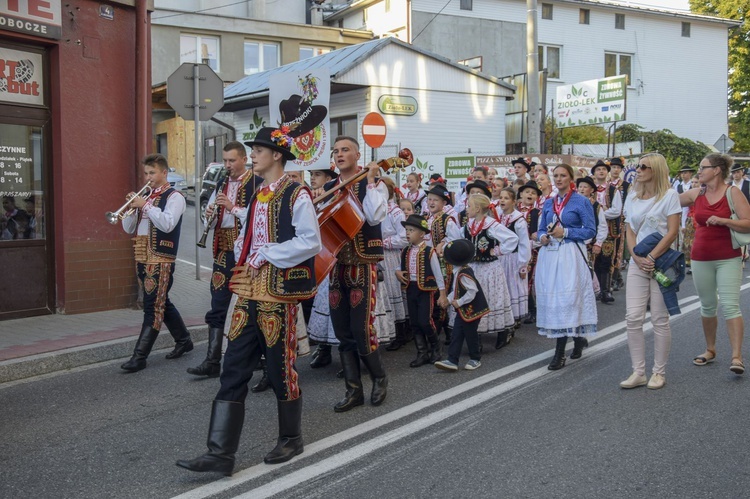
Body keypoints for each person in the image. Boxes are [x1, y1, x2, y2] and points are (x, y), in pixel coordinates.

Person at [177, 127, 321, 474]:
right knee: (234, 365)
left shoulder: (296, 193)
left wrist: (266, 254)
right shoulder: (257, 194)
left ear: (276, 156)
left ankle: (291, 437)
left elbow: (311, 241)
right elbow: (246, 236)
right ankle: (220, 453)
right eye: (253, 150)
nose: (253, 155)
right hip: (248, 290)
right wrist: (241, 263)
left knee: (278, 366)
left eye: (259, 150)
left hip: (277, 291)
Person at [321, 135, 389, 413]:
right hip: (335, 264)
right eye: (336, 151)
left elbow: (374, 217)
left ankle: (379, 377)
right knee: (342, 330)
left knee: (361, 329)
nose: (339, 154)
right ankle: (353, 390)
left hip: (361, 263)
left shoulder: (371, 184)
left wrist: (371, 181)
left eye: (345, 150)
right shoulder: (328, 187)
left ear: (357, 155)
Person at [188, 141, 261, 378]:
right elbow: (212, 207)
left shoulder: (256, 184)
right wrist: (210, 210)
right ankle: (211, 360)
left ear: (243, 159)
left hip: (246, 253)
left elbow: (256, 218)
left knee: (249, 304)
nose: (227, 165)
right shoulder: (221, 182)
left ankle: (254, 357)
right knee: (218, 302)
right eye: (225, 160)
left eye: (231, 160)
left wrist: (232, 207)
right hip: (222, 250)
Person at [120, 154, 193, 372]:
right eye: (146, 173)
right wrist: (129, 211)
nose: (148, 177)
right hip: (142, 255)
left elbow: (168, 224)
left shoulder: (175, 197)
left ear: (164, 172)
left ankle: (139, 356)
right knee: (161, 300)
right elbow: (128, 228)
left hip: (161, 258)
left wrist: (147, 206)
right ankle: (184, 340)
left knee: (153, 307)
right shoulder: (147, 196)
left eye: (152, 173)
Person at [680, 153, 750, 376]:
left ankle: (737, 356)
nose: (699, 171)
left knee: (730, 305)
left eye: (703, 167)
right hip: (700, 258)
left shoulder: (732, 192)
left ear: (717, 170)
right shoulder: (696, 193)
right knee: (708, 305)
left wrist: (724, 220)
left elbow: (748, 223)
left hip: (728, 256)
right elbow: (664, 201)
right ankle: (710, 349)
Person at [619, 153, 682, 389]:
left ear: (655, 170)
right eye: (637, 166)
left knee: (658, 318)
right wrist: (635, 256)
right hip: (638, 262)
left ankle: (659, 372)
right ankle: (638, 372)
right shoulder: (632, 196)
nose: (638, 170)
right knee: (633, 317)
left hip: (661, 262)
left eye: (643, 166)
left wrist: (652, 256)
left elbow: (672, 231)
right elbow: (630, 230)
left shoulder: (670, 196)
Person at [536, 164, 597, 370]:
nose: (559, 179)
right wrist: (543, 237)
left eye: (563, 175)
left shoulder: (581, 201)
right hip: (551, 254)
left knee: (569, 298)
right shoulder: (548, 202)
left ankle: (560, 352)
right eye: (556, 176)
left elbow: (590, 230)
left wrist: (567, 232)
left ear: (571, 178)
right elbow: (541, 228)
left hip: (570, 253)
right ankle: (578, 339)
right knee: (555, 300)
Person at [463, 193, 518, 349]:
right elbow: (460, 238)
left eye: (469, 206)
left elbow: (512, 239)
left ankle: (504, 331)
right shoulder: (469, 225)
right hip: (474, 267)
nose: (467, 209)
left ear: (478, 208)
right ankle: (477, 336)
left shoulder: (491, 225)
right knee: (476, 299)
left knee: (493, 298)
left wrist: (498, 251)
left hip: (489, 268)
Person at [397, 214, 448, 366]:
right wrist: (397, 272)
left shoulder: (429, 251)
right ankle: (422, 352)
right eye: (406, 230)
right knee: (414, 322)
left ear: (421, 234)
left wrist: (442, 293)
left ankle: (435, 346)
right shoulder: (405, 251)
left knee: (425, 321)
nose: (407, 233)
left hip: (426, 289)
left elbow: (438, 273)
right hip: (410, 288)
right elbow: (399, 267)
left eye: (411, 230)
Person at [434, 239, 489, 372]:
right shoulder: (458, 270)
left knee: (470, 335)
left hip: (471, 310)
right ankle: (452, 360)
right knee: (457, 333)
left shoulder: (464, 273)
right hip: (464, 310)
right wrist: (447, 299)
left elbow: (472, 291)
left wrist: (458, 302)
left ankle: (475, 358)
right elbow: (456, 289)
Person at [307, 164, 341, 370]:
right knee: (321, 305)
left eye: (317, 174)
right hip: (319, 256)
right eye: (311, 174)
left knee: (337, 305)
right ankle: (323, 349)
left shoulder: (334, 194)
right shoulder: (308, 197)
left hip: (334, 254)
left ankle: (347, 354)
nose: (312, 178)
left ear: (329, 178)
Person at [380, 176, 409, 351]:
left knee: (393, 291)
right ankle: (388, 330)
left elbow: (405, 237)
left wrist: (384, 242)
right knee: (385, 294)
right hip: (379, 254)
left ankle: (401, 333)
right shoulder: (378, 209)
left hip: (390, 256)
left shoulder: (395, 212)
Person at [496, 188, 531, 328]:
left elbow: (524, 243)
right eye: (501, 197)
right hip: (501, 257)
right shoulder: (498, 216)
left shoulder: (518, 220)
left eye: (506, 198)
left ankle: (515, 316)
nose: (502, 200)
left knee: (514, 285)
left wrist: (523, 264)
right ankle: (505, 314)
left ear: (514, 201)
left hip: (513, 258)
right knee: (503, 285)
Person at [591, 159, 623, 304]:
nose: (601, 171)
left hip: (609, 230)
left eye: (604, 169)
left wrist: (600, 213)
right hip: (591, 229)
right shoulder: (589, 189)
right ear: (594, 173)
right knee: (591, 260)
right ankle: (594, 290)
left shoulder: (612, 190)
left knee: (606, 260)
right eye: (598, 169)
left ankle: (605, 290)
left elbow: (616, 210)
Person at [576, 176, 608, 299]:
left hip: (588, 244)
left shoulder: (596, 206)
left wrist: (598, 243)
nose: (582, 189)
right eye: (580, 186)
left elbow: (602, 226)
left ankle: (589, 295)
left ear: (591, 190)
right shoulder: (572, 203)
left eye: (585, 187)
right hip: (574, 242)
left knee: (587, 269)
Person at [518, 180, 542, 324]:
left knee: (527, 279)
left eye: (533, 193)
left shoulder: (537, 213)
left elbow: (540, 235)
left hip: (531, 251)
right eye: (527, 192)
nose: (530, 194)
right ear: (520, 194)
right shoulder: (513, 211)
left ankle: (531, 310)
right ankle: (520, 309)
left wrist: (529, 243)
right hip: (514, 251)